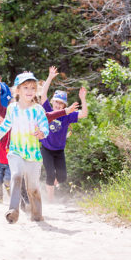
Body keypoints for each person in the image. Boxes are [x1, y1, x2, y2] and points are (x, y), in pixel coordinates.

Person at [0, 72, 50, 224]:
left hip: (33, 154)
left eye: (33, 88)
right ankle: (13, 211)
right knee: (15, 176)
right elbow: (4, 127)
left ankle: (36, 215)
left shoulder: (38, 110)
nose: (30, 91)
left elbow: (45, 128)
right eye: (26, 87)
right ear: (18, 90)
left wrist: (41, 133)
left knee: (33, 187)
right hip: (15, 151)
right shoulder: (12, 109)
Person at [40, 66, 88, 202]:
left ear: (64, 106)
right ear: (52, 102)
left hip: (59, 150)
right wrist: (50, 77)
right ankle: (50, 199)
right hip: (46, 148)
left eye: (61, 104)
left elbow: (84, 114)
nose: (58, 105)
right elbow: (43, 95)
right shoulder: (47, 110)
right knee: (50, 173)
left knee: (62, 177)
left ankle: (50, 185)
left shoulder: (67, 116)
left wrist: (82, 98)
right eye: (56, 102)